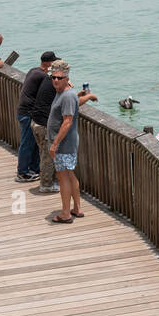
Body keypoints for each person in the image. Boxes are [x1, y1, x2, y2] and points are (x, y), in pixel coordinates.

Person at [46, 60, 97, 222]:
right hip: (66, 143)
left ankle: (66, 213)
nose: (55, 80)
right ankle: (77, 208)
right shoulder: (66, 93)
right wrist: (86, 96)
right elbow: (74, 104)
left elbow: (67, 121)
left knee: (63, 177)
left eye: (59, 78)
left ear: (67, 78)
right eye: (53, 77)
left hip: (63, 144)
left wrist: (55, 144)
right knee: (69, 174)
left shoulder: (66, 95)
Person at [15, 50, 56, 182]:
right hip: (28, 113)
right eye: (53, 63)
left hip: (24, 111)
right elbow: (49, 90)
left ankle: (33, 169)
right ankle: (22, 173)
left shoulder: (33, 70)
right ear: (48, 63)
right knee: (27, 143)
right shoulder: (43, 77)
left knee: (32, 143)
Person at [29, 63, 60, 193]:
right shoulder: (54, 85)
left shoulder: (47, 80)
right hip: (43, 125)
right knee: (47, 156)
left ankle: (49, 181)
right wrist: (87, 97)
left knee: (44, 154)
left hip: (35, 122)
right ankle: (46, 185)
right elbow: (70, 101)